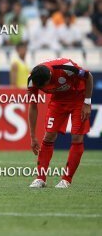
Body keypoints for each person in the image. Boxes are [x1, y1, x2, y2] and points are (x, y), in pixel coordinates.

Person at [28, 58, 93, 189]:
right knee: (49, 136)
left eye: (44, 85)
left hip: (78, 98)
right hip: (58, 101)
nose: (43, 88)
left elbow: (88, 76)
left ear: (50, 76)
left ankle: (66, 180)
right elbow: (33, 106)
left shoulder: (66, 68)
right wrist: (33, 136)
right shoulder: (32, 80)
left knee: (76, 137)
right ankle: (40, 179)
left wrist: (87, 102)